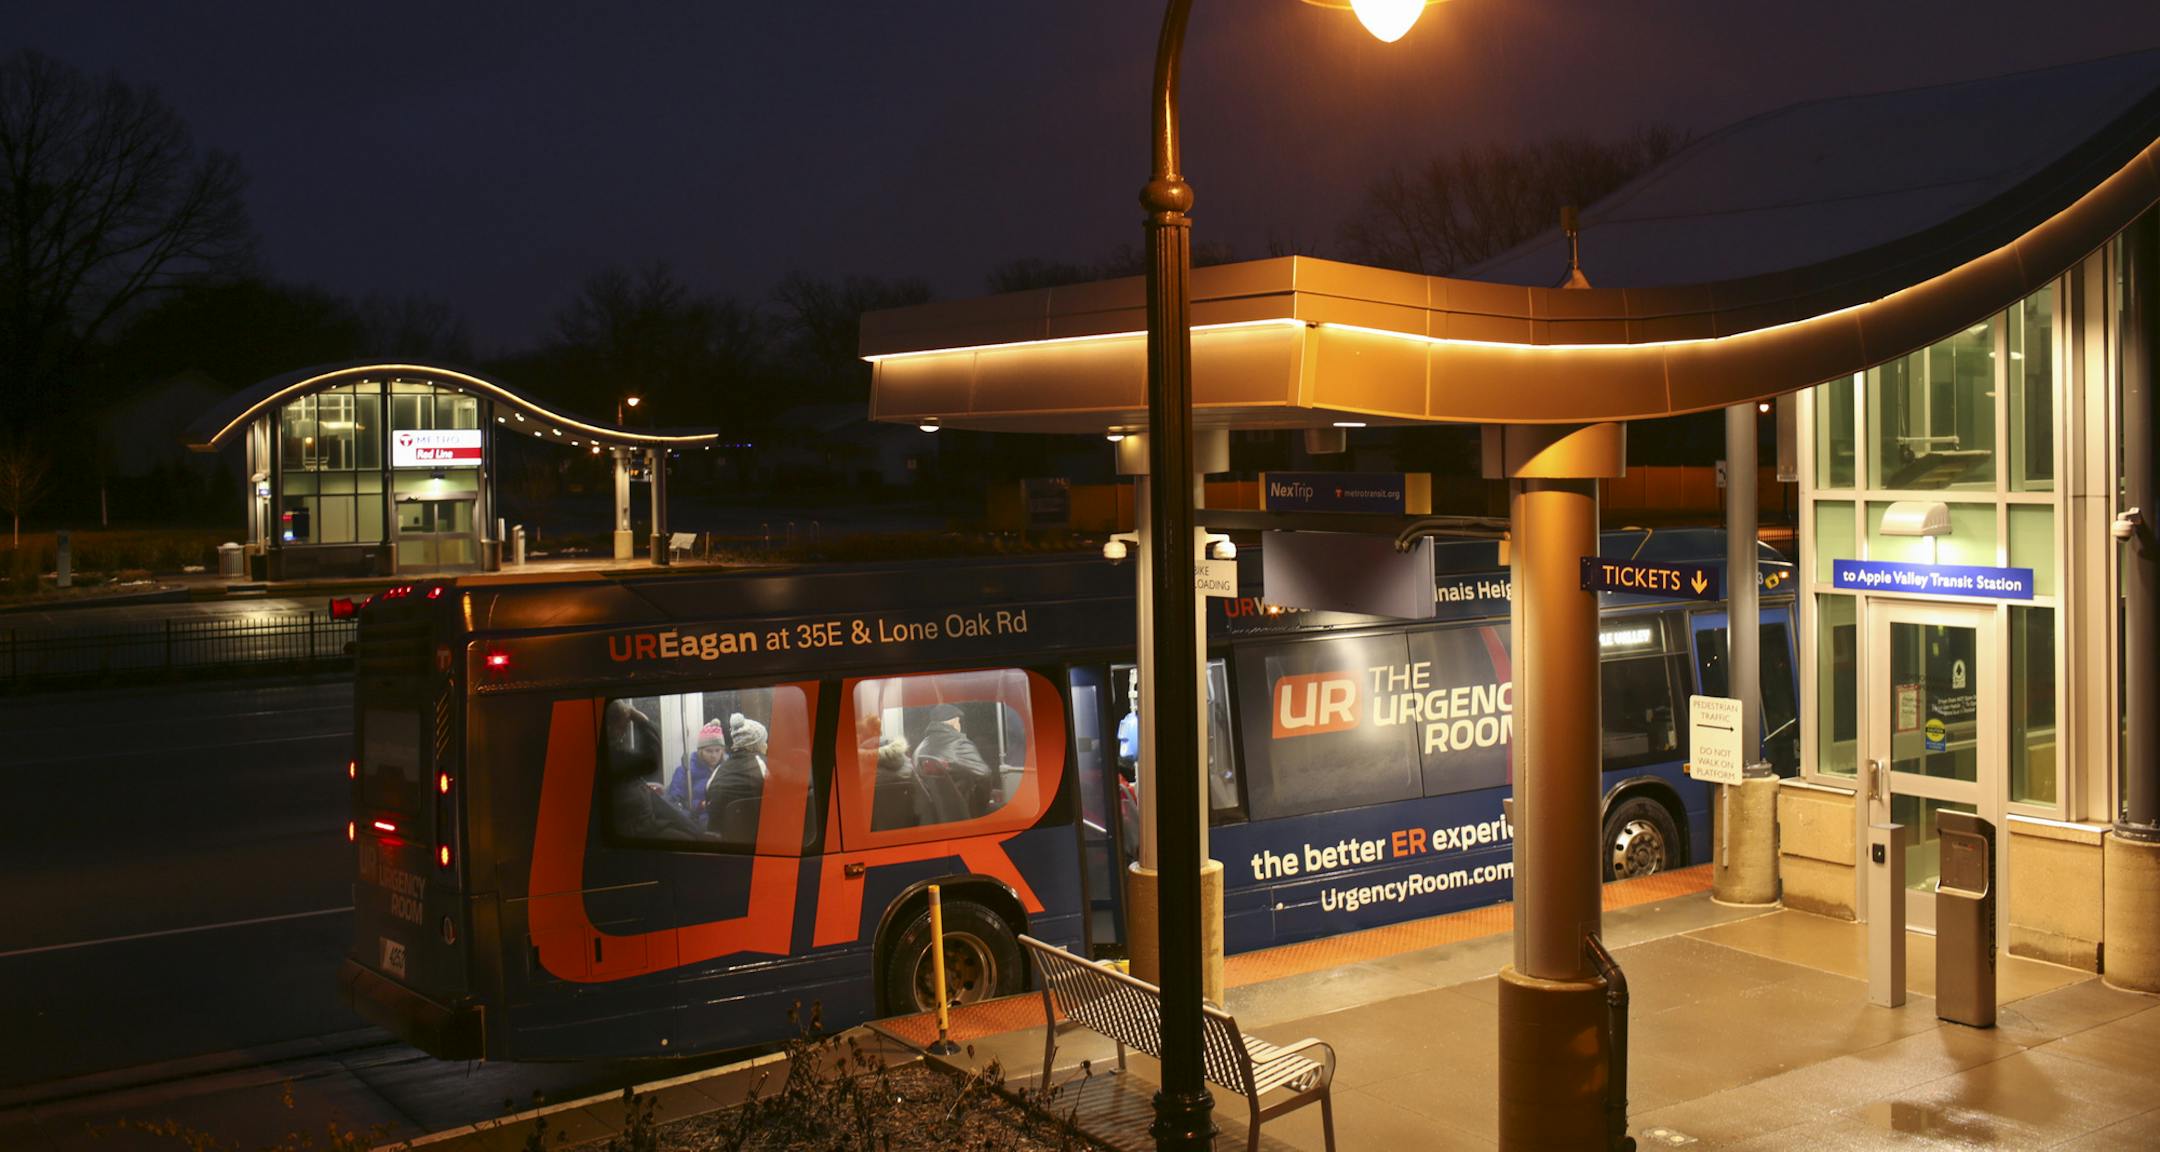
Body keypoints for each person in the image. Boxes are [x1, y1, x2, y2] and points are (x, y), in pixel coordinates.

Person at [604, 700, 712, 842]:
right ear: (610, 727)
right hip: (637, 829)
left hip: (646, 822)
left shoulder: (618, 759)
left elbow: (664, 807)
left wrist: (695, 828)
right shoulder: (610, 756)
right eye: (622, 727)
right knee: (688, 839)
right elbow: (650, 762)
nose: (623, 734)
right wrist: (642, 721)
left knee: (692, 831)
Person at [912, 702, 996, 817]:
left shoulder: (920, 748)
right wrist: (979, 805)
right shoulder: (960, 744)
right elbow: (985, 775)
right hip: (963, 813)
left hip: (933, 816)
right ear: (954, 721)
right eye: (959, 722)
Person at [706, 713, 769, 837]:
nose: (766, 746)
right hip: (761, 840)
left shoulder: (717, 773)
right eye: (764, 742)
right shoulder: (766, 767)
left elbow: (711, 809)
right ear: (757, 744)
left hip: (724, 845)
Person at [666, 719, 729, 822]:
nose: (714, 755)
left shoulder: (726, 768)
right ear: (700, 751)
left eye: (717, 750)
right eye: (709, 751)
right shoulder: (686, 770)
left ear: (722, 751)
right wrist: (699, 806)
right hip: (698, 820)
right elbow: (674, 801)